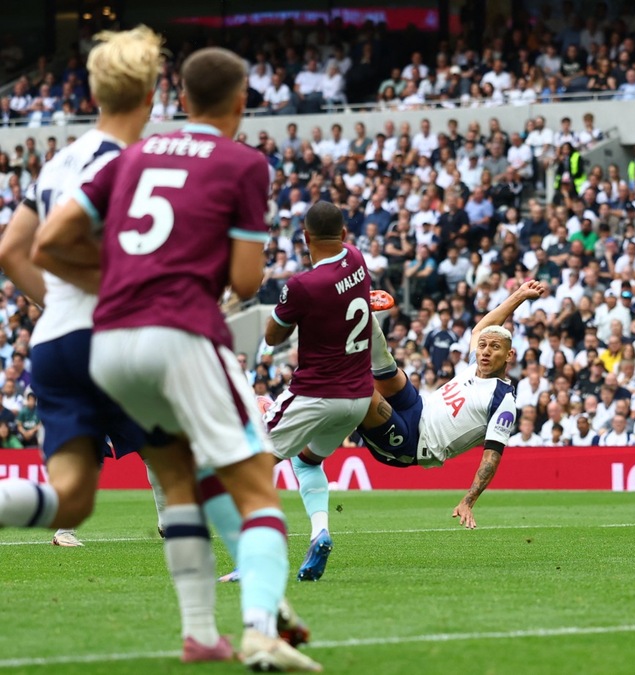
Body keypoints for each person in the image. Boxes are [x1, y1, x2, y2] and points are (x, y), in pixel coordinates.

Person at [36, 47, 320, 670]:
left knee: (183, 482)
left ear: (181, 100)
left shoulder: (133, 155)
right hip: (180, 332)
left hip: (110, 344)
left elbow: (49, 241)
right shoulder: (244, 163)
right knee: (258, 489)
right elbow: (246, 281)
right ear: (241, 103)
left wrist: (120, 281)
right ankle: (258, 630)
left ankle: (213, 628)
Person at [0, 27, 168, 551]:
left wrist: (61, 306)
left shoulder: (59, 162)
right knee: (184, 450)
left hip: (56, 340)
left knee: (71, 497)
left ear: (94, 92)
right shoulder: (133, 166)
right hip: (112, 340)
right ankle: (221, 591)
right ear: (151, 95)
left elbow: (11, 251)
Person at [336, 280, 546, 529]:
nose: (486, 351)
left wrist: (469, 500)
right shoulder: (474, 366)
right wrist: (519, 295)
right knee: (388, 369)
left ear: (509, 355)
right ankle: (363, 311)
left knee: (362, 390)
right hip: (417, 408)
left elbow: (492, 457)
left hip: (412, 444)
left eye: (495, 347)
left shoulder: (503, 400)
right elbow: (481, 329)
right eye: (482, 346)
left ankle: (317, 387)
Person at [261, 201, 376, 582]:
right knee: (306, 462)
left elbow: (272, 336)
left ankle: (254, 557)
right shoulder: (357, 259)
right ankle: (319, 533)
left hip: (317, 395)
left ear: (305, 236)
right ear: (343, 234)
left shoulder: (302, 286)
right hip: (357, 399)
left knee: (247, 463)